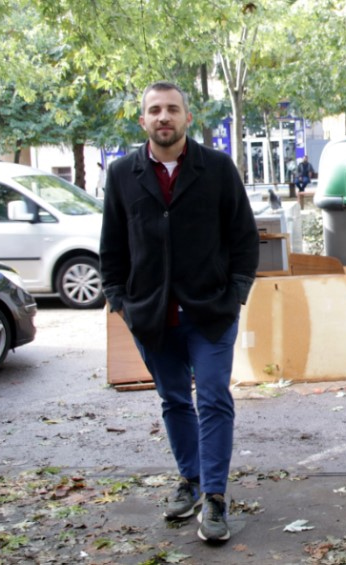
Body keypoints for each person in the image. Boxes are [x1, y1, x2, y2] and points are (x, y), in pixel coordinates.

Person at [99, 81, 259, 544]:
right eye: (155, 110)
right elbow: (112, 246)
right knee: (173, 400)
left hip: (210, 311)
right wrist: (120, 300)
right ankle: (189, 480)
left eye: (172, 109)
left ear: (188, 117)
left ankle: (215, 497)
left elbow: (244, 237)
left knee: (213, 398)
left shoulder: (217, 168)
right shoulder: (122, 174)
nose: (163, 117)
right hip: (152, 314)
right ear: (143, 121)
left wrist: (235, 294)